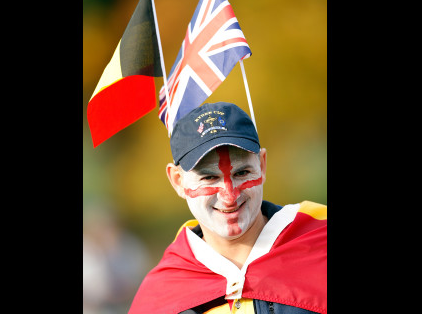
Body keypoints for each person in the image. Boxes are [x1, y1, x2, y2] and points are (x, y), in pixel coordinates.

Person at [129, 102, 327, 314]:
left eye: (241, 173)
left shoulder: (320, 238)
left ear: (262, 164)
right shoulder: (158, 297)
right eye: (209, 177)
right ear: (178, 181)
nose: (229, 196)